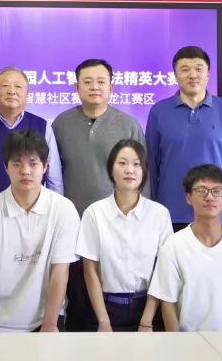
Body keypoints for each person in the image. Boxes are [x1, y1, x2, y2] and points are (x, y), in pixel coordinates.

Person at [53, 59, 145, 331]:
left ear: (111, 87)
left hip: (117, 225)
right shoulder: (61, 124)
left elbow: (142, 176)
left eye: (101, 82)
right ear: (76, 87)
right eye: (88, 82)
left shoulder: (128, 125)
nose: (95, 87)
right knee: (78, 296)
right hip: (73, 224)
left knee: (112, 292)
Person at [0, 130, 80, 333]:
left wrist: (49, 325)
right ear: (6, 168)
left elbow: (60, 271)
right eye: (17, 164)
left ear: (45, 166)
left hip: (45, 320)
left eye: (33, 164)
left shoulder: (64, 210)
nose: (25, 171)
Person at [146, 46, 222, 231]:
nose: (192, 75)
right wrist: (150, 213)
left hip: (216, 214)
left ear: (208, 74)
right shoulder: (159, 112)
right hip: (169, 216)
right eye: (185, 69)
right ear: (175, 75)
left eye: (199, 69)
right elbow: (150, 167)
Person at [148, 164, 222, 332]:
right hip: (188, 341)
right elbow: (168, 302)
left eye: (216, 191)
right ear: (189, 197)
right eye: (201, 191)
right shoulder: (174, 246)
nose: (210, 197)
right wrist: (175, 342)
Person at [76, 139, 172, 332]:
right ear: (111, 170)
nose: (129, 170)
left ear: (144, 171)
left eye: (136, 164)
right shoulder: (94, 213)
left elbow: (163, 270)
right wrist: (103, 321)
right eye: (122, 163)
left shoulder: (159, 214)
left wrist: (147, 319)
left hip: (149, 308)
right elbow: (90, 270)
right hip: (104, 308)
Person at [0, 67, 63, 202]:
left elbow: (54, 180)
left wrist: (56, 208)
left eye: (18, 86)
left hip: (34, 211)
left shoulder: (43, 127)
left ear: (27, 94)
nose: (11, 91)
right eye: (5, 86)